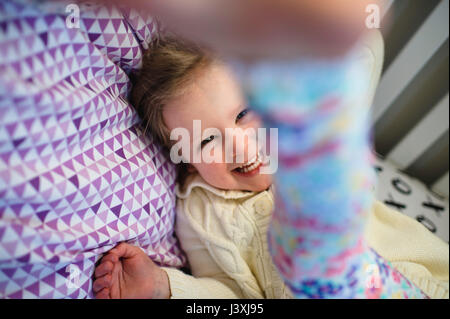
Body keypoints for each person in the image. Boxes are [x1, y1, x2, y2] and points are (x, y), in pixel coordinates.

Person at [92, 35, 428, 299]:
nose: (240, 146)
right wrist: (164, 286)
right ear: (187, 161)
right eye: (206, 141)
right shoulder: (198, 212)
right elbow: (233, 294)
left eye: (243, 115)